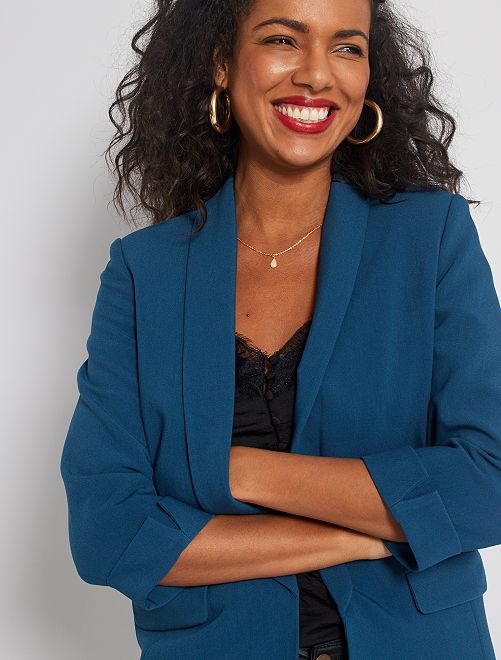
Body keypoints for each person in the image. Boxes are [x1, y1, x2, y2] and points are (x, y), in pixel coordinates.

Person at [60, 0, 501, 658]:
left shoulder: (429, 237)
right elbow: (109, 533)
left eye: (346, 47)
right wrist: (367, 532)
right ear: (222, 63)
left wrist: (235, 471)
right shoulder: (144, 273)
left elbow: (489, 482)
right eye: (282, 40)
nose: (318, 74)